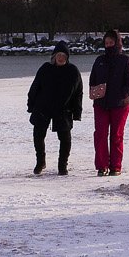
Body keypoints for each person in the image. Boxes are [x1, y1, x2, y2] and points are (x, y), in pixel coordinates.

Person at [26, 40, 83, 175]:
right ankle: (40, 162)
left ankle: (62, 165)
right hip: (43, 107)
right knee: (38, 135)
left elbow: (78, 93)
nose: (61, 58)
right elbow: (35, 87)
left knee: (65, 138)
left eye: (64, 55)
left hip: (63, 109)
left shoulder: (73, 71)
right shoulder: (45, 68)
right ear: (54, 56)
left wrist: (77, 112)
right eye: (59, 55)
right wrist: (31, 104)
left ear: (67, 57)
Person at [88, 28, 129, 176]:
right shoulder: (99, 60)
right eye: (106, 42)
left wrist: (122, 94)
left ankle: (115, 167)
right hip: (101, 104)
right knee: (100, 135)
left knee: (116, 135)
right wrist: (96, 92)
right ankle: (102, 166)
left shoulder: (125, 60)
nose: (109, 45)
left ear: (117, 43)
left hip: (120, 105)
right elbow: (93, 79)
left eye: (111, 42)